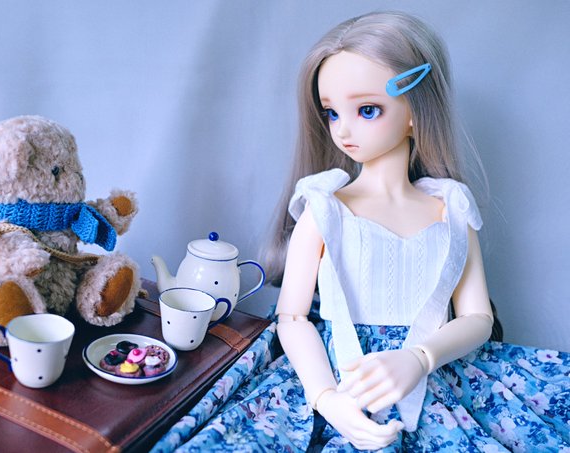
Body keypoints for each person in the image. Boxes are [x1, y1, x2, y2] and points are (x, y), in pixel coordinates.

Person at [153, 11, 569, 452]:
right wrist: (326, 397)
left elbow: (477, 317)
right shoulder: (324, 207)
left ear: (416, 111)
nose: (344, 130)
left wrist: (421, 357)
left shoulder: (451, 209)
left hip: (433, 373)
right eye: (332, 113)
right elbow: (291, 319)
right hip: (336, 375)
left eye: (367, 110)